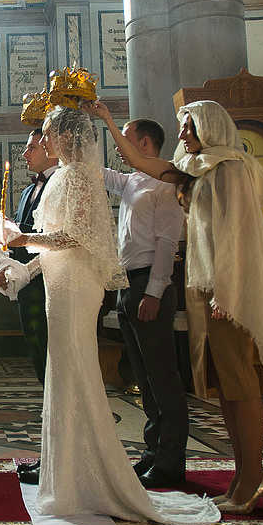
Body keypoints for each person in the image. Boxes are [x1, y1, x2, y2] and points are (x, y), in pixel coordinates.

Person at [6, 106, 219, 525]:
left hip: (78, 288)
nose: (44, 141)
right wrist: (23, 272)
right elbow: (60, 245)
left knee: (79, 372)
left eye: (48, 133)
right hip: (60, 283)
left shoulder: (82, 177)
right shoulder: (73, 175)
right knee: (63, 374)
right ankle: (66, 472)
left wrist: (23, 237)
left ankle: (98, 472)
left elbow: (78, 238)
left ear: (67, 138)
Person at [87, 98, 263, 515]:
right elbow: (141, 162)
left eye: (188, 127)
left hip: (232, 291)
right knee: (227, 387)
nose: (182, 135)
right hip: (213, 290)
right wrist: (104, 118)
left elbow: (237, 236)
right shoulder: (199, 170)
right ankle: (245, 474)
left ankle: (253, 476)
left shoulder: (232, 169)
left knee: (240, 383)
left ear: (210, 127)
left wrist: (227, 292)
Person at [103, 118, 188, 488]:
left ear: (147, 143)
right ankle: (153, 452)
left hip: (149, 285)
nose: (122, 144)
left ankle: (171, 460)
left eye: (128, 136)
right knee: (143, 374)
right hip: (127, 282)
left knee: (162, 375)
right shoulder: (134, 181)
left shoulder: (166, 183)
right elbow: (101, 173)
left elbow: (168, 244)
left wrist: (154, 292)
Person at [5, 128, 59, 385]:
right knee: (35, 346)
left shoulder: (60, 184)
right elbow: (19, 230)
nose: (25, 153)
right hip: (25, 282)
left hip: (50, 280)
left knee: (52, 347)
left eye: (32, 147)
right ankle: (48, 399)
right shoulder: (28, 192)